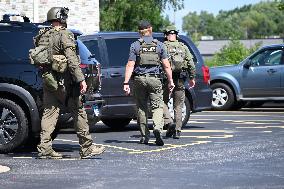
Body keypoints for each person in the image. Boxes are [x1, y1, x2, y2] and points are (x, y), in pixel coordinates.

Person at [36, 7, 105, 159]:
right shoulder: (65, 34)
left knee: (49, 113)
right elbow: (72, 60)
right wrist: (81, 80)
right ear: (61, 18)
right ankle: (87, 148)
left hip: (48, 80)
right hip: (65, 82)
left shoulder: (43, 35)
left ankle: (44, 148)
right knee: (79, 111)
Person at [123, 20, 175, 146]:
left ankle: (145, 136)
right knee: (157, 106)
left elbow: (130, 65)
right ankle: (157, 128)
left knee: (141, 107)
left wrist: (125, 83)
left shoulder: (135, 45)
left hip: (139, 80)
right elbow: (167, 66)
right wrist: (170, 81)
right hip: (155, 79)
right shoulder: (160, 45)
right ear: (150, 29)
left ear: (139, 31)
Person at [163, 25, 196, 139]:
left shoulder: (163, 46)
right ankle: (177, 130)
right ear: (176, 35)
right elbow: (191, 64)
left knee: (162, 102)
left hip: (166, 79)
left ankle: (168, 122)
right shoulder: (183, 47)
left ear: (166, 35)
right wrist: (192, 78)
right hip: (181, 79)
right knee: (178, 105)